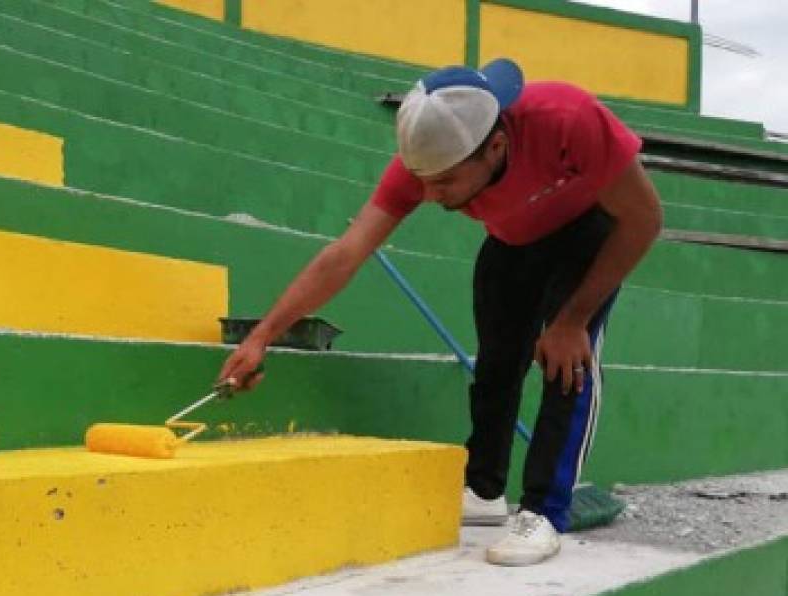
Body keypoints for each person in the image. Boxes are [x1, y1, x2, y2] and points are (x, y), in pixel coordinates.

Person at [217, 59, 663, 566]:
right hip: (513, 240)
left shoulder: (567, 118)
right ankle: (485, 491)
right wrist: (262, 337)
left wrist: (571, 321)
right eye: (421, 180)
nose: (428, 196)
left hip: (589, 235)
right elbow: (347, 252)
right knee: (496, 364)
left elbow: (646, 218)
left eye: (446, 182)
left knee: (566, 363)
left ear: (495, 147)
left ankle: (544, 511)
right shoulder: (428, 158)